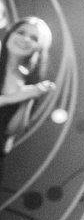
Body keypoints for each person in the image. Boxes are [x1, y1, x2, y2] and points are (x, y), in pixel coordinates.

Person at [0, 17, 55, 176]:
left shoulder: (29, 81)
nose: (25, 39)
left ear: (39, 47)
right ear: (10, 34)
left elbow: (12, 131)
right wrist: (13, 98)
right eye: (21, 32)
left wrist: (30, 96)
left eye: (34, 38)